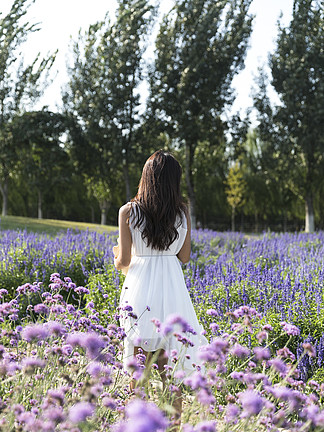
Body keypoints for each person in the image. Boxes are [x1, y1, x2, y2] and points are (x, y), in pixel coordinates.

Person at [113, 150, 207, 421]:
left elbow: (125, 261)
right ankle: (174, 426)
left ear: (146, 177)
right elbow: (185, 257)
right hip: (171, 290)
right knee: (172, 368)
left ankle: (136, 423)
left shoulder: (128, 212)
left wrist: (117, 255)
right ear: (173, 181)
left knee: (138, 366)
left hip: (140, 289)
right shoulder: (182, 212)